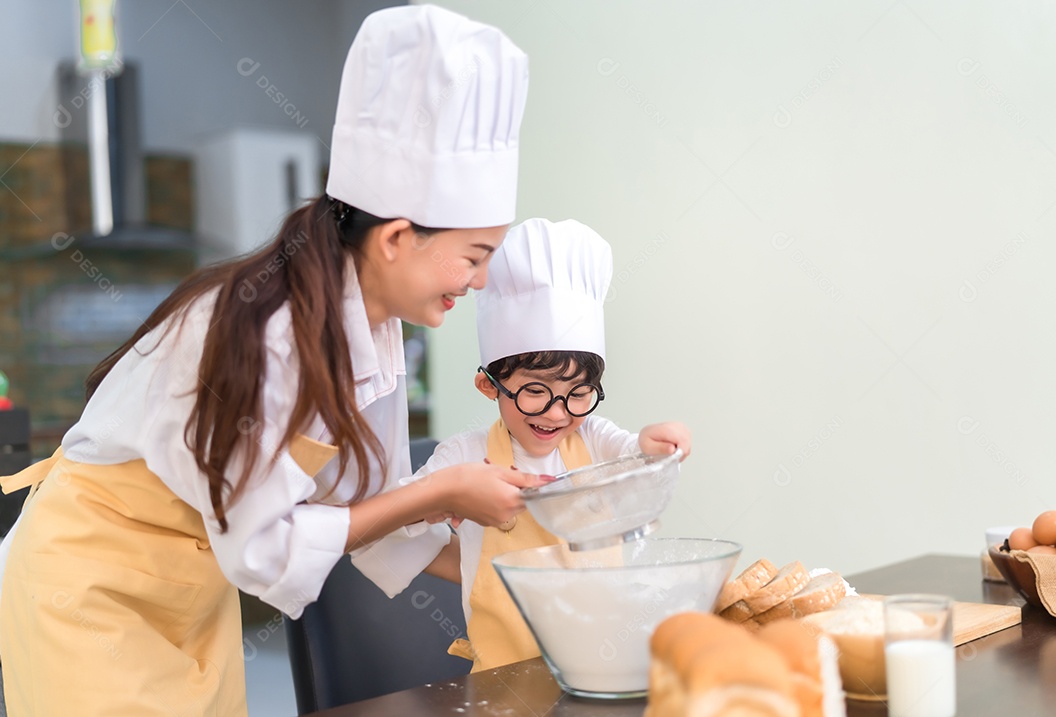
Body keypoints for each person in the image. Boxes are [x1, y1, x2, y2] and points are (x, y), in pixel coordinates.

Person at [0, 6, 537, 714]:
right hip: (90, 588)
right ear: (397, 237)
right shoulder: (270, 333)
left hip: (194, 592)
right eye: (474, 256)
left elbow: (367, 520)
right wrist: (443, 493)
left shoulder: (372, 337)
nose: (478, 282)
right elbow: (265, 550)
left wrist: (519, 571)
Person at [352, 217, 692, 672]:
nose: (557, 413)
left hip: (603, 664)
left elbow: (635, 458)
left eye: (577, 393)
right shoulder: (464, 456)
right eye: (535, 391)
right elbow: (391, 521)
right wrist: (457, 540)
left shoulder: (593, 437)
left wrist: (657, 443)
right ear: (489, 386)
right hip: (504, 675)